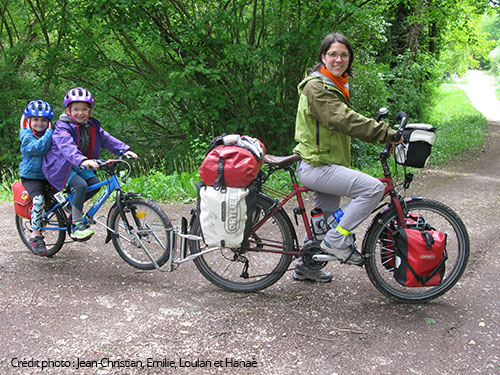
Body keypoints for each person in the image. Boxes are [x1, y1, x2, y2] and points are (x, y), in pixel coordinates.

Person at [292, 32, 401, 282]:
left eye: (343, 55)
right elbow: (341, 118)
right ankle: (337, 241)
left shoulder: (336, 84)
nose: (338, 59)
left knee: (326, 222)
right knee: (373, 189)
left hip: (326, 163)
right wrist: (385, 133)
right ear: (323, 57)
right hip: (316, 165)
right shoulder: (316, 86)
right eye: (333, 54)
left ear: (349, 58)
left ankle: (307, 266)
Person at [43, 87, 137, 241]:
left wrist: (124, 150)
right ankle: (77, 225)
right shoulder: (62, 127)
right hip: (60, 166)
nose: (80, 113)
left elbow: (107, 139)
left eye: (84, 109)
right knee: (80, 185)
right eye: (76, 109)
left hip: (77, 163)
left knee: (96, 184)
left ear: (90, 111)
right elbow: (67, 147)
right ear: (68, 110)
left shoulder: (91, 126)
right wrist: (83, 160)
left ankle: (72, 206)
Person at [19, 100, 55, 256]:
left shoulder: (50, 134)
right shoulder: (26, 135)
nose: (40, 123)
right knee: (39, 200)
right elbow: (38, 148)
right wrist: (49, 132)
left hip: (48, 175)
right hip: (31, 176)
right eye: (36, 119)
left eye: (44, 120)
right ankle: (35, 234)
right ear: (29, 121)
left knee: (63, 197)